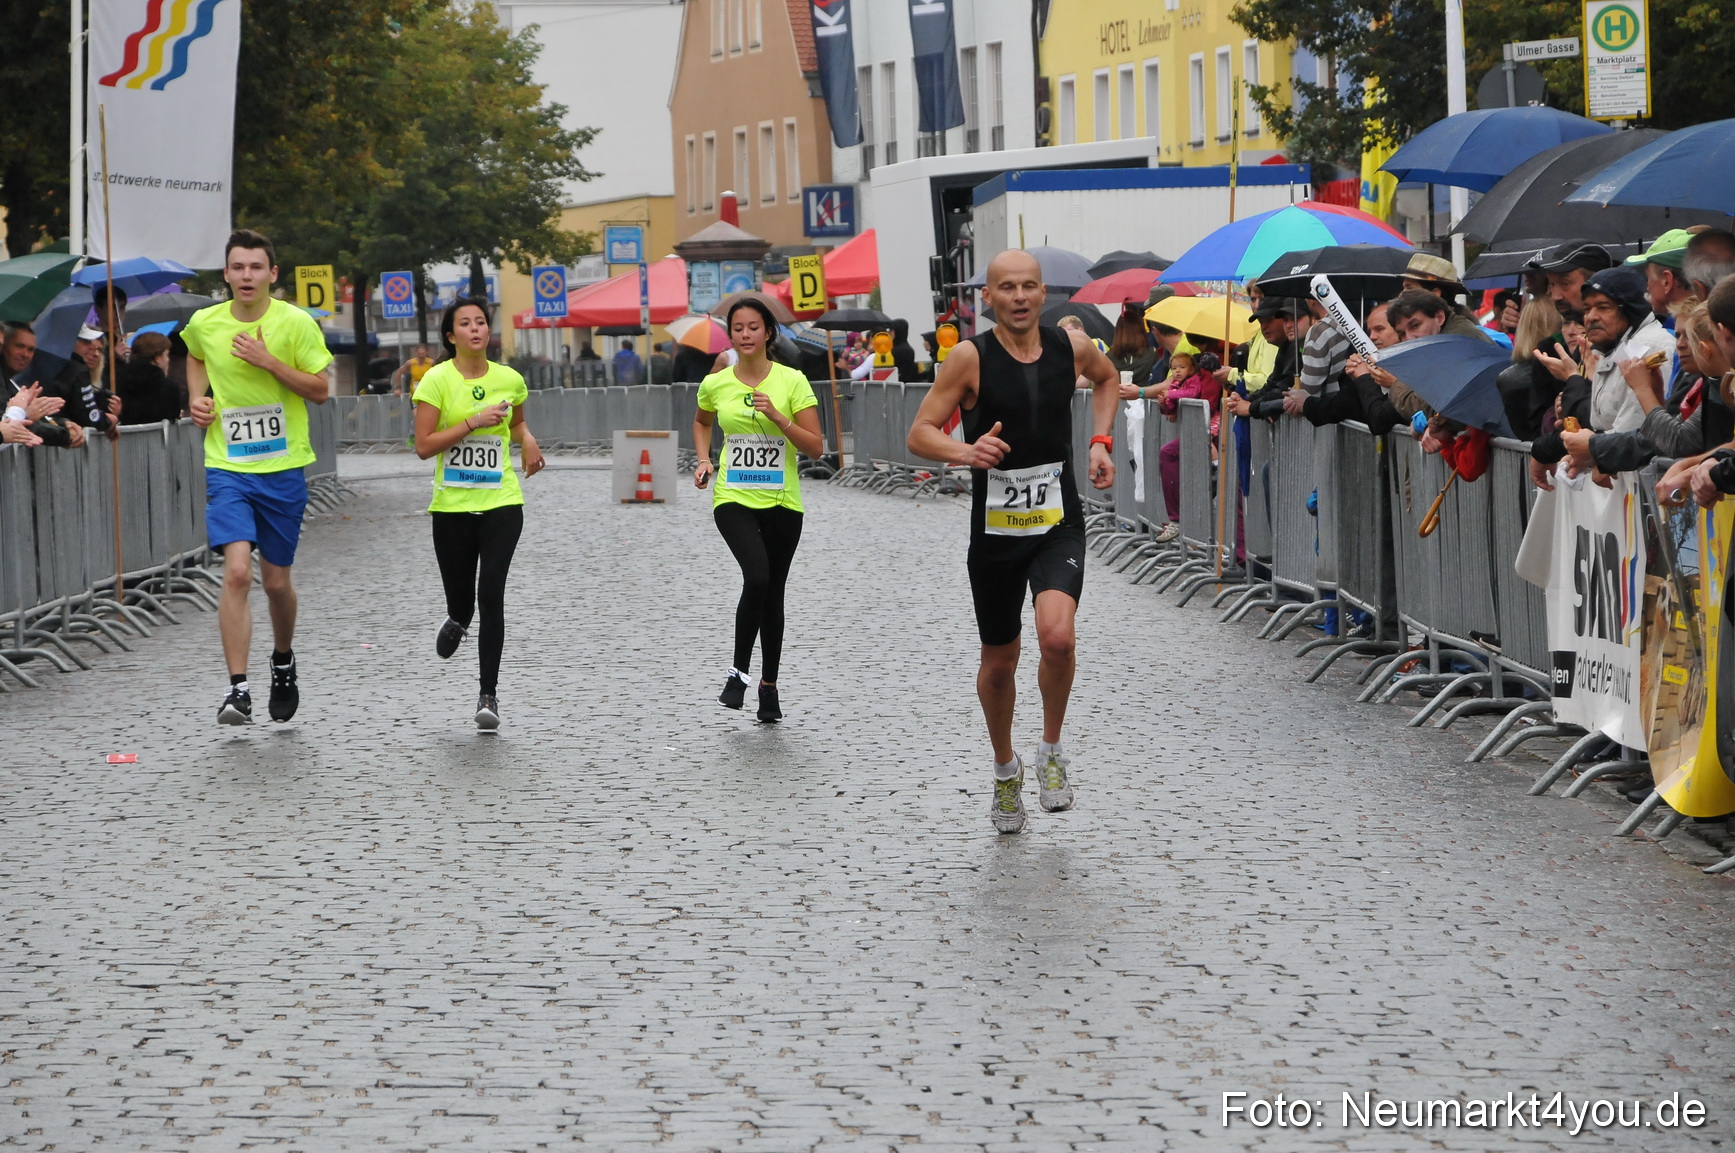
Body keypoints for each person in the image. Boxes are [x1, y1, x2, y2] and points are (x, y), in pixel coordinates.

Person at [905, 249, 1117, 835]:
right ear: (989, 297)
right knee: (1000, 663)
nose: (1020, 297)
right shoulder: (968, 358)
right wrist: (965, 451)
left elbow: (1107, 379)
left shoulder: (1070, 347)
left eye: (1029, 287)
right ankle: (1006, 770)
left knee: (1058, 637)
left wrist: (1100, 440)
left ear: (1044, 292)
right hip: (995, 532)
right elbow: (920, 432)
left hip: (1057, 521)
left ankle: (1050, 753)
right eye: (1007, 288)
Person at [184, 229, 334, 726]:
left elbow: (319, 390)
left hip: (283, 467)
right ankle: (237, 690)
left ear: (272, 274)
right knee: (237, 572)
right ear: (225, 274)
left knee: (275, 584)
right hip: (228, 466)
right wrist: (196, 398)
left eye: (256, 267)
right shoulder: (206, 321)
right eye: (237, 267)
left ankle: (284, 659)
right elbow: (195, 354)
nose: (246, 275)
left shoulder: (294, 323)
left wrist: (268, 361)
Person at [412, 297, 544, 730]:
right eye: (464, 324)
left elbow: (517, 423)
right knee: (463, 603)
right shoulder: (435, 380)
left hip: (501, 502)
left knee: (491, 594)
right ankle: (457, 619)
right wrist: (472, 421)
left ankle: (488, 695)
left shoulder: (510, 379)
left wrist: (527, 440)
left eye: (481, 322)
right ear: (451, 335)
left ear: (489, 331)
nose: (475, 329)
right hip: (451, 507)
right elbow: (424, 445)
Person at [692, 296, 825, 724]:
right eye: (738, 328)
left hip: (783, 503)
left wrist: (780, 419)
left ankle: (769, 686)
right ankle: (737, 674)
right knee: (757, 575)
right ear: (730, 335)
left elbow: (817, 447)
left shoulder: (792, 381)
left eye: (753, 327)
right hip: (733, 497)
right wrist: (704, 459)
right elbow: (701, 421)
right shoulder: (717, 382)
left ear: (768, 333)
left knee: (774, 593)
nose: (745, 335)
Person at [1531, 265, 1674, 490]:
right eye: (1587, 309)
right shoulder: (1608, 350)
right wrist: (1585, 455)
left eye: (1603, 307)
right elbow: (1600, 424)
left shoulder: (1649, 347)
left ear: (1630, 309)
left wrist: (1596, 455)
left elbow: (1634, 429)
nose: (1591, 317)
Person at [1153, 340, 1221, 542]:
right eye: (1174, 368)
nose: (1177, 372)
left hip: (1209, 428)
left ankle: (1181, 520)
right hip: (1196, 430)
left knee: (1169, 453)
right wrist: (1164, 404)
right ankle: (1182, 522)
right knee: (1169, 454)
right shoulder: (1178, 382)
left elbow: (1195, 395)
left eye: (1181, 367)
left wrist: (1171, 395)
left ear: (1192, 369)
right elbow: (1172, 408)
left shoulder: (1197, 378)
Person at [116, 332, 184, 424]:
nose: (168, 360)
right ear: (157, 358)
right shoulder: (169, 388)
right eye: (166, 354)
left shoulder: (119, 380)